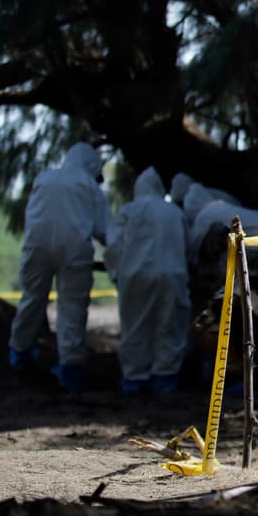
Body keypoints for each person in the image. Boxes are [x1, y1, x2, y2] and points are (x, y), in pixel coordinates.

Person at [8, 141, 111, 392]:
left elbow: (32, 216)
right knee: (72, 308)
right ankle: (70, 368)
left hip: (37, 247)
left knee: (32, 299)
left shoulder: (44, 178)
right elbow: (105, 230)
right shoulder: (88, 184)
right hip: (74, 251)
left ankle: (19, 354)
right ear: (91, 166)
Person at [104, 166, 191, 395]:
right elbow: (188, 246)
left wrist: (117, 273)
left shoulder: (128, 212)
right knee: (169, 324)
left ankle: (135, 377)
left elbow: (113, 246)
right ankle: (165, 375)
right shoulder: (174, 212)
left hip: (135, 275)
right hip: (172, 274)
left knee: (135, 325)